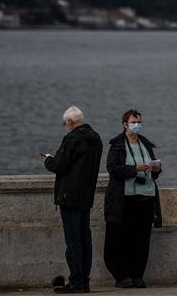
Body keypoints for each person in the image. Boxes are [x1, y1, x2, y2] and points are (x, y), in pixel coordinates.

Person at [42, 105, 103, 294]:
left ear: (70, 122)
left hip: (70, 197)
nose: (65, 127)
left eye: (65, 123)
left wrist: (48, 160)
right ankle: (84, 281)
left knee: (73, 240)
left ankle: (76, 281)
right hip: (86, 196)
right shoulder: (96, 138)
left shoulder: (72, 138)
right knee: (85, 239)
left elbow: (60, 165)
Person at [103, 109, 163, 289]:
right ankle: (121, 276)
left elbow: (155, 172)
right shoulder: (117, 145)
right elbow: (113, 169)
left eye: (139, 122)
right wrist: (134, 169)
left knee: (141, 240)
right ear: (124, 125)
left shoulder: (145, 144)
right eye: (133, 122)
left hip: (145, 197)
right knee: (120, 239)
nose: (137, 125)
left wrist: (155, 169)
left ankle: (137, 275)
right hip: (124, 199)